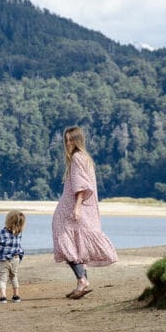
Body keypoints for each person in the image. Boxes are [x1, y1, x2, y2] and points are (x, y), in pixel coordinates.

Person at [51, 126, 117, 299]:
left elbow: (81, 186)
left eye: (71, 139)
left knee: (65, 241)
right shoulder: (84, 158)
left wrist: (77, 207)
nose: (68, 143)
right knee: (76, 244)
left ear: (78, 140)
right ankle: (82, 283)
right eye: (66, 140)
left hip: (74, 207)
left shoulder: (77, 158)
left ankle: (82, 280)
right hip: (81, 207)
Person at [0, 210, 26, 304]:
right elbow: (19, 247)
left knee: (2, 278)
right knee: (14, 276)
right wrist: (20, 256)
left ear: (8, 221)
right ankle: (16, 296)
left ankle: (3, 297)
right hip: (15, 259)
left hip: (3, 259)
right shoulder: (19, 234)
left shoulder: (1, 233)